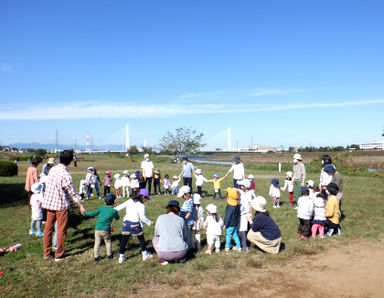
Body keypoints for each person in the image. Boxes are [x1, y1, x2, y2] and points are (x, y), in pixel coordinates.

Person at [42, 150, 86, 261]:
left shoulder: (52, 169)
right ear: (70, 161)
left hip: (49, 204)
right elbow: (72, 192)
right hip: (61, 205)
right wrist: (81, 205)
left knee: (48, 229)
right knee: (61, 230)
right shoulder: (65, 174)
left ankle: (46, 253)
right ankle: (59, 254)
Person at [115, 189, 154, 263]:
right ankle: (145, 255)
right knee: (141, 239)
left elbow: (120, 207)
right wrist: (150, 222)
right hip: (134, 224)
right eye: (147, 198)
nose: (146, 200)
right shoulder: (141, 205)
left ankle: (121, 257)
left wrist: (112, 210)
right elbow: (142, 217)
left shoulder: (130, 201)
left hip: (126, 223)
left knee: (124, 240)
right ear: (143, 197)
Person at [82, 194, 120, 262]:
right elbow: (117, 218)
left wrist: (85, 213)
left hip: (97, 229)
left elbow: (92, 213)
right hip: (106, 230)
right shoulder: (114, 211)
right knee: (108, 241)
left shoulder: (101, 208)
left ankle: (96, 257)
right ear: (114, 202)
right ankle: (109, 256)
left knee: (97, 243)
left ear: (105, 202)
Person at [152, 200, 191, 265]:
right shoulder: (181, 220)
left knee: (155, 238)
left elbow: (157, 233)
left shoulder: (160, 218)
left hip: (165, 253)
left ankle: (163, 258)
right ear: (178, 210)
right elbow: (186, 236)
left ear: (168, 209)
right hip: (182, 252)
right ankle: (181, 258)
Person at [237, 179, 255, 252]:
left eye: (241, 185)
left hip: (245, 214)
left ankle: (244, 246)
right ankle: (241, 243)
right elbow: (238, 190)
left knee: (243, 229)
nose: (240, 186)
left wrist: (250, 213)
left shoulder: (248, 194)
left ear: (245, 187)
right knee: (242, 228)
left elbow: (251, 204)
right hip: (241, 213)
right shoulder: (243, 192)